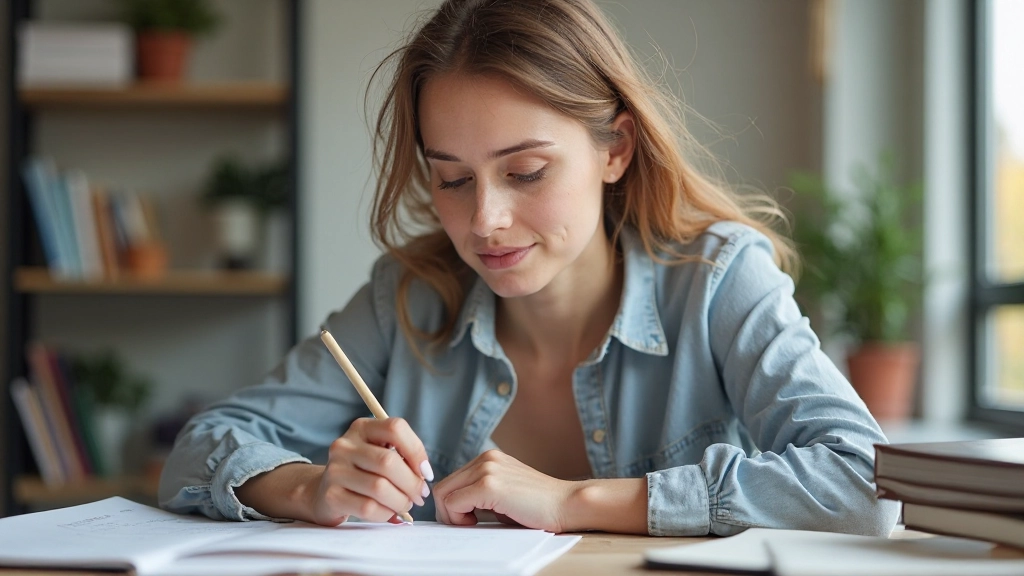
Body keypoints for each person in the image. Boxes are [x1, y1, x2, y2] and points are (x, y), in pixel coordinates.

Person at [160, 0, 899, 537]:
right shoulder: (409, 298)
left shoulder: (716, 281)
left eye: (527, 171)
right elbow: (202, 446)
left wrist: (575, 502)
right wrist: (311, 487)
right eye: (452, 179)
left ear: (615, 149)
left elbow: (868, 485)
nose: (483, 222)